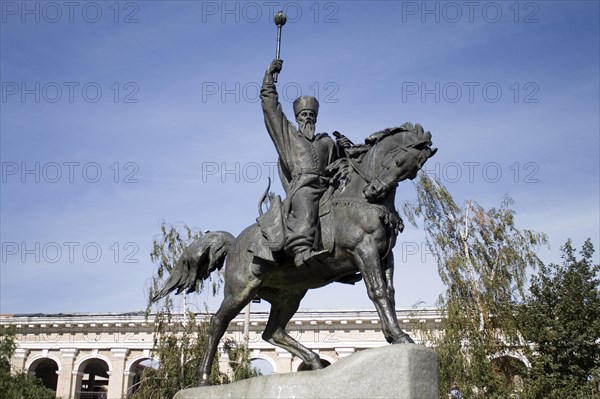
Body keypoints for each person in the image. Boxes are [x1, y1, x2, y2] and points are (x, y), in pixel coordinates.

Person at [260, 58, 351, 267]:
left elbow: (342, 165)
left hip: (327, 186)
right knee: (307, 206)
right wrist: (268, 79)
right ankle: (301, 250)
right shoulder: (289, 137)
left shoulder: (326, 141)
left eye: (311, 114)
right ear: (297, 118)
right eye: (303, 115)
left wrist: (346, 147)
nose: (307, 117)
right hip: (303, 186)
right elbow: (271, 110)